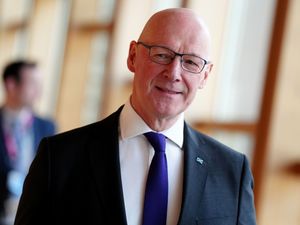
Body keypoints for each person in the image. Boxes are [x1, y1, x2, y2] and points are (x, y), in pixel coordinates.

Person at [14, 8, 256, 225]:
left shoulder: (232, 172)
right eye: (162, 55)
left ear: (205, 75)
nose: (173, 73)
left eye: (191, 62)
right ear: (132, 56)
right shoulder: (59, 158)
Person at [0, 60, 56, 225]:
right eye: (32, 83)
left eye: (40, 84)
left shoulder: (46, 126)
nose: (39, 91)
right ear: (11, 85)